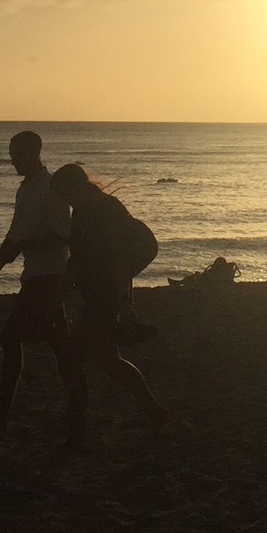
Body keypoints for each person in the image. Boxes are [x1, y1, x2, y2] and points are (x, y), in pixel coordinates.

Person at [0, 131, 84, 440]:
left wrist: (27, 245)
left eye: (19, 154)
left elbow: (64, 235)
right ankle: (77, 410)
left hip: (50, 277)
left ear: (34, 153)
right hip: (35, 276)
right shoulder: (24, 192)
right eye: (11, 153)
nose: (13, 160)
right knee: (60, 347)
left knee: (11, 338)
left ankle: (2, 414)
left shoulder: (51, 190)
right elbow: (12, 239)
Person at [50, 163, 165, 443]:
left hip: (104, 294)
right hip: (97, 291)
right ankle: (153, 410)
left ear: (75, 188)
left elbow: (118, 259)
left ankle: (76, 421)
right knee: (105, 360)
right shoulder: (91, 210)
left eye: (65, 195)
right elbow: (82, 258)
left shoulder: (102, 212)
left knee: (73, 357)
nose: (65, 202)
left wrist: (123, 301)